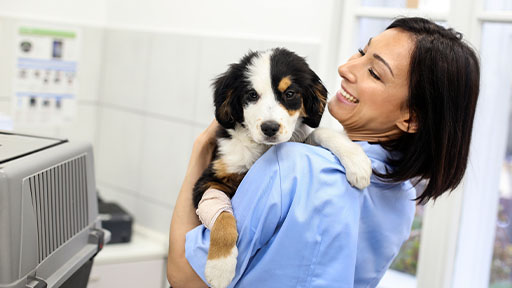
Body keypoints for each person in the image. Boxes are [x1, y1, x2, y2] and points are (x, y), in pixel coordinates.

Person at [167, 17, 480, 288]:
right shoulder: (401, 199)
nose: (346, 68)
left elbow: (185, 277)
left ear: (410, 117)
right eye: (361, 51)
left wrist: (201, 149)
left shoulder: (289, 167)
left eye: (374, 72)